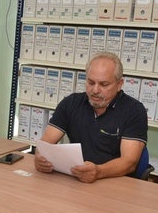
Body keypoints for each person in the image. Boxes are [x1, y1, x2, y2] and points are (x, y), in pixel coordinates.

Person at [34, 52, 148, 183]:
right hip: (77, 178)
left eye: (104, 84)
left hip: (115, 182)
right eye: (90, 82)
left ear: (119, 84)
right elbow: (45, 142)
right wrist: (40, 157)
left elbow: (129, 162)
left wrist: (98, 172)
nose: (95, 90)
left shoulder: (134, 111)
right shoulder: (70, 103)